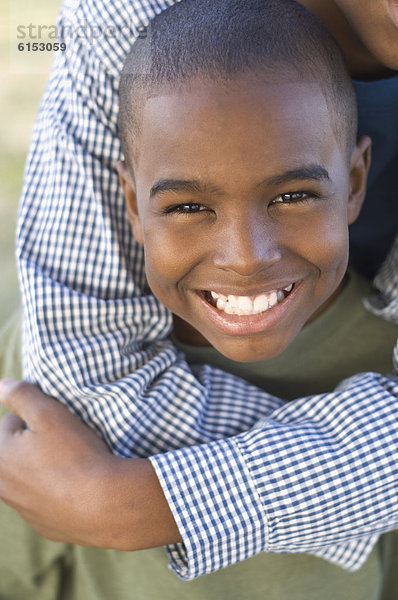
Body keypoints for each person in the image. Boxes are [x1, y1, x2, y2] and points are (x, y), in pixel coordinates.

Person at [0, 2, 397, 597]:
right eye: (189, 207)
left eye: (293, 196)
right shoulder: (34, 372)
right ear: (130, 205)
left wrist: (142, 498)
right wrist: (347, 483)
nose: (245, 255)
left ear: (355, 183)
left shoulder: (371, 348)